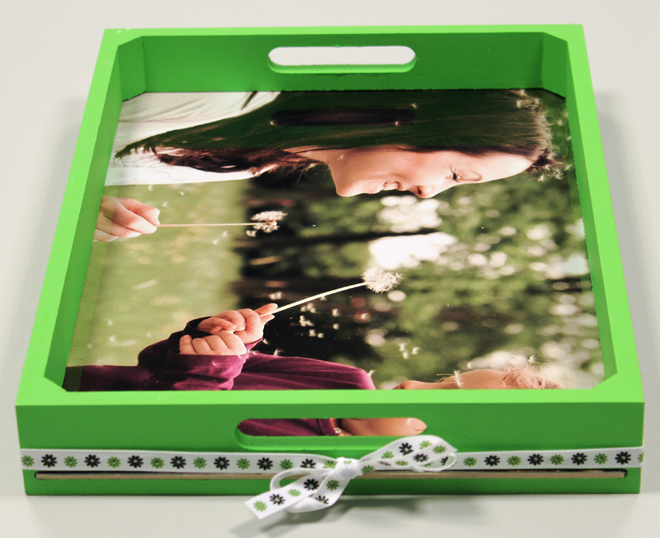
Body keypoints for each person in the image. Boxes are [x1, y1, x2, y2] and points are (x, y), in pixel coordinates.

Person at [95, 89, 563, 241]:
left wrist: (87, 212)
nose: (429, 193)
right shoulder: (224, 99)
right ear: (419, 122)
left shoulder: (248, 165)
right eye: (455, 175)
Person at [64, 304, 561, 437]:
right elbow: (155, 367)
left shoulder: (318, 466)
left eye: (440, 394)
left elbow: (169, 435)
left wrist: (211, 371)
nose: (411, 383)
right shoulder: (346, 380)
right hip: (75, 385)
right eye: (440, 377)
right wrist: (216, 338)